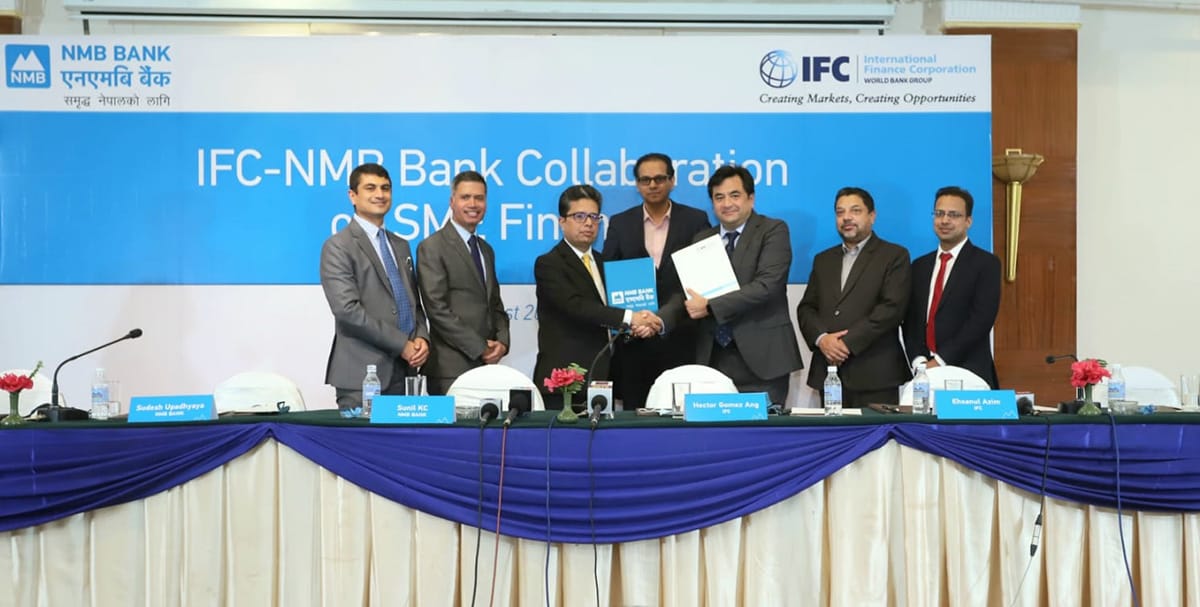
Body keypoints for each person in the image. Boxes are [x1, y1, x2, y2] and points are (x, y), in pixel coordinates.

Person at [661, 165, 802, 406]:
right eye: (719, 197)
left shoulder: (773, 230)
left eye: (734, 195)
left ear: (751, 198)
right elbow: (688, 293)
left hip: (763, 360)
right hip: (714, 360)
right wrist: (659, 319)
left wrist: (709, 305)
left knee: (763, 429)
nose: (727, 203)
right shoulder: (702, 239)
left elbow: (766, 286)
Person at [533, 184, 662, 410]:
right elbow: (576, 306)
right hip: (566, 382)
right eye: (579, 216)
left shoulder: (606, 264)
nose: (589, 223)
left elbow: (616, 313)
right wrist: (630, 317)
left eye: (594, 217)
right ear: (562, 221)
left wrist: (640, 325)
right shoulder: (549, 264)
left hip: (606, 378)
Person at [600, 153, 711, 409]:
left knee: (682, 416)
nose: (652, 185)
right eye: (645, 180)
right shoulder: (620, 223)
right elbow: (610, 275)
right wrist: (634, 320)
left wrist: (662, 319)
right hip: (635, 341)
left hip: (682, 337)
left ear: (672, 180)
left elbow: (701, 277)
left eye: (659, 178)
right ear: (637, 184)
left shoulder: (695, 220)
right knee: (635, 417)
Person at [320, 163, 429, 412]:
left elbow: (412, 303)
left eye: (385, 188)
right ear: (353, 196)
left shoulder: (401, 245)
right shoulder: (338, 246)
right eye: (370, 188)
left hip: (405, 374)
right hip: (362, 377)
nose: (380, 194)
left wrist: (422, 337)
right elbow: (348, 312)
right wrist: (402, 344)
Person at [797, 186, 911, 407]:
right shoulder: (823, 260)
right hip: (829, 373)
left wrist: (845, 344)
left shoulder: (894, 256)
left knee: (877, 432)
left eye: (855, 210)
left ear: (872, 216)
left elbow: (891, 309)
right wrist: (823, 339)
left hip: (875, 374)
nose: (846, 217)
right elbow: (807, 308)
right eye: (840, 212)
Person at [416, 170, 511, 395]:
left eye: (479, 198)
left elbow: (494, 304)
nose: (473, 204)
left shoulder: (485, 250)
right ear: (452, 202)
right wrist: (480, 348)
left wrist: (502, 342)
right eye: (465, 197)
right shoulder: (432, 247)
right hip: (450, 368)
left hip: (486, 367)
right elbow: (437, 310)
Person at [902, 186, 1001, 388]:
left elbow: (981, 320)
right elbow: (910, 320)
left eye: (953, 215)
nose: (945, 220)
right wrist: (919, 361)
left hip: (969, 372)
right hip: (923, 373)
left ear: (968, 221)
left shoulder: (986, 264)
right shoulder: (920, 265)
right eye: (939, 214)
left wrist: (940, 361)